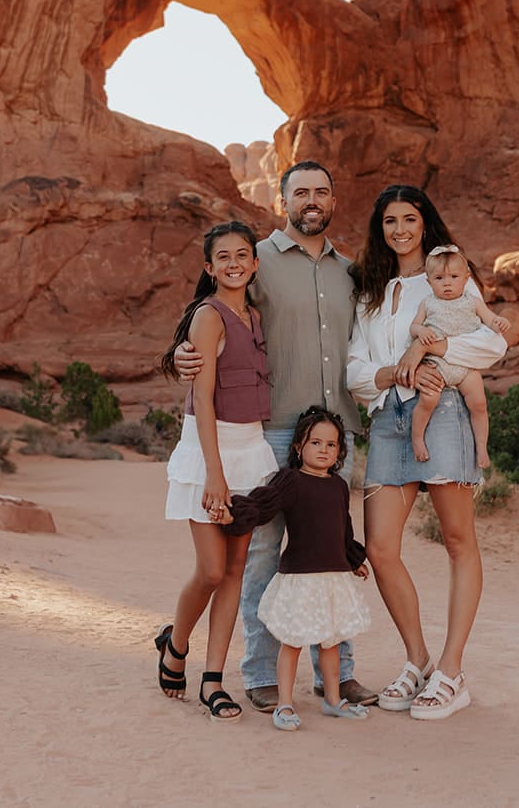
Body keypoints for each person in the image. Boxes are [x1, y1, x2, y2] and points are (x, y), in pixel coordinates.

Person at [175, 161, 378, 712]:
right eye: (301, 192)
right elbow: (206, 314)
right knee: (262, 557)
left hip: (334, 435)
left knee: (330, 553)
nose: (312, 199)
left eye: (322, 191)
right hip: (269, 433)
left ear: (334, 200)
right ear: (283, 200)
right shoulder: (254, 258)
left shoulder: (351, 272)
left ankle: (337, 674)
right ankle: (262, 672)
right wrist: (180, 354)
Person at [346, 185, 507, 721]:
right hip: (388, 418)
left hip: (443, 413)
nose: (400, 229)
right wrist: (387, 374)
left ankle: (452, 670)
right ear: (380, 228)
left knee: (459, 540)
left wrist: (436, 351)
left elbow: (491, 344)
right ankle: (417, 661)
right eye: (389, 220)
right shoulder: (370, 289)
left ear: (424, 221)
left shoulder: (448, 273)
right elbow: (354, 366)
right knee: (381, 546)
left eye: (409, 218)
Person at [153, 221, 276, 724]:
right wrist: (214, 475)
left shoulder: (253, 315)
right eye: (222, 257)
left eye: (242, 255)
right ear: (209, 267)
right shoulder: (209, 316)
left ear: (254, 263)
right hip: (211, 450)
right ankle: (176, 643)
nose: (232, 263)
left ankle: (213, 682)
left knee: (234, 573)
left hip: (252, 448)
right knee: (210, 570)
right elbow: (201, 398)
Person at [217, 406, 374, 731]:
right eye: (315, 443)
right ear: (298, 447)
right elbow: (264, 503)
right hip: (300, 580)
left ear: (340, 451)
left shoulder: (338, 487)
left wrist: (354, 559)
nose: (323, 450)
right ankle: (285, 704)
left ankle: (333, 699)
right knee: (292, 642)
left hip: (332, 579)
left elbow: (342, 529)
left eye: (331, 445)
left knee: (330, 642)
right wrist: (234, 513)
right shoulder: (291, 481)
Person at [402, 244, 511, 468]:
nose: (447, 283)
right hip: (436, 362)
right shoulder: (428, 303)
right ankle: (417, 439)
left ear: (466, 278)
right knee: (428, 400)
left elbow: (489, 320)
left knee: (479, 404)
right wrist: (421, 331)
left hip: (465, 362)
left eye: (454, 276)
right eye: (439, 278)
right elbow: (413, 327)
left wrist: (498, 322)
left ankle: (481, 447)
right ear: (429, 281)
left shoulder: (473, 302)